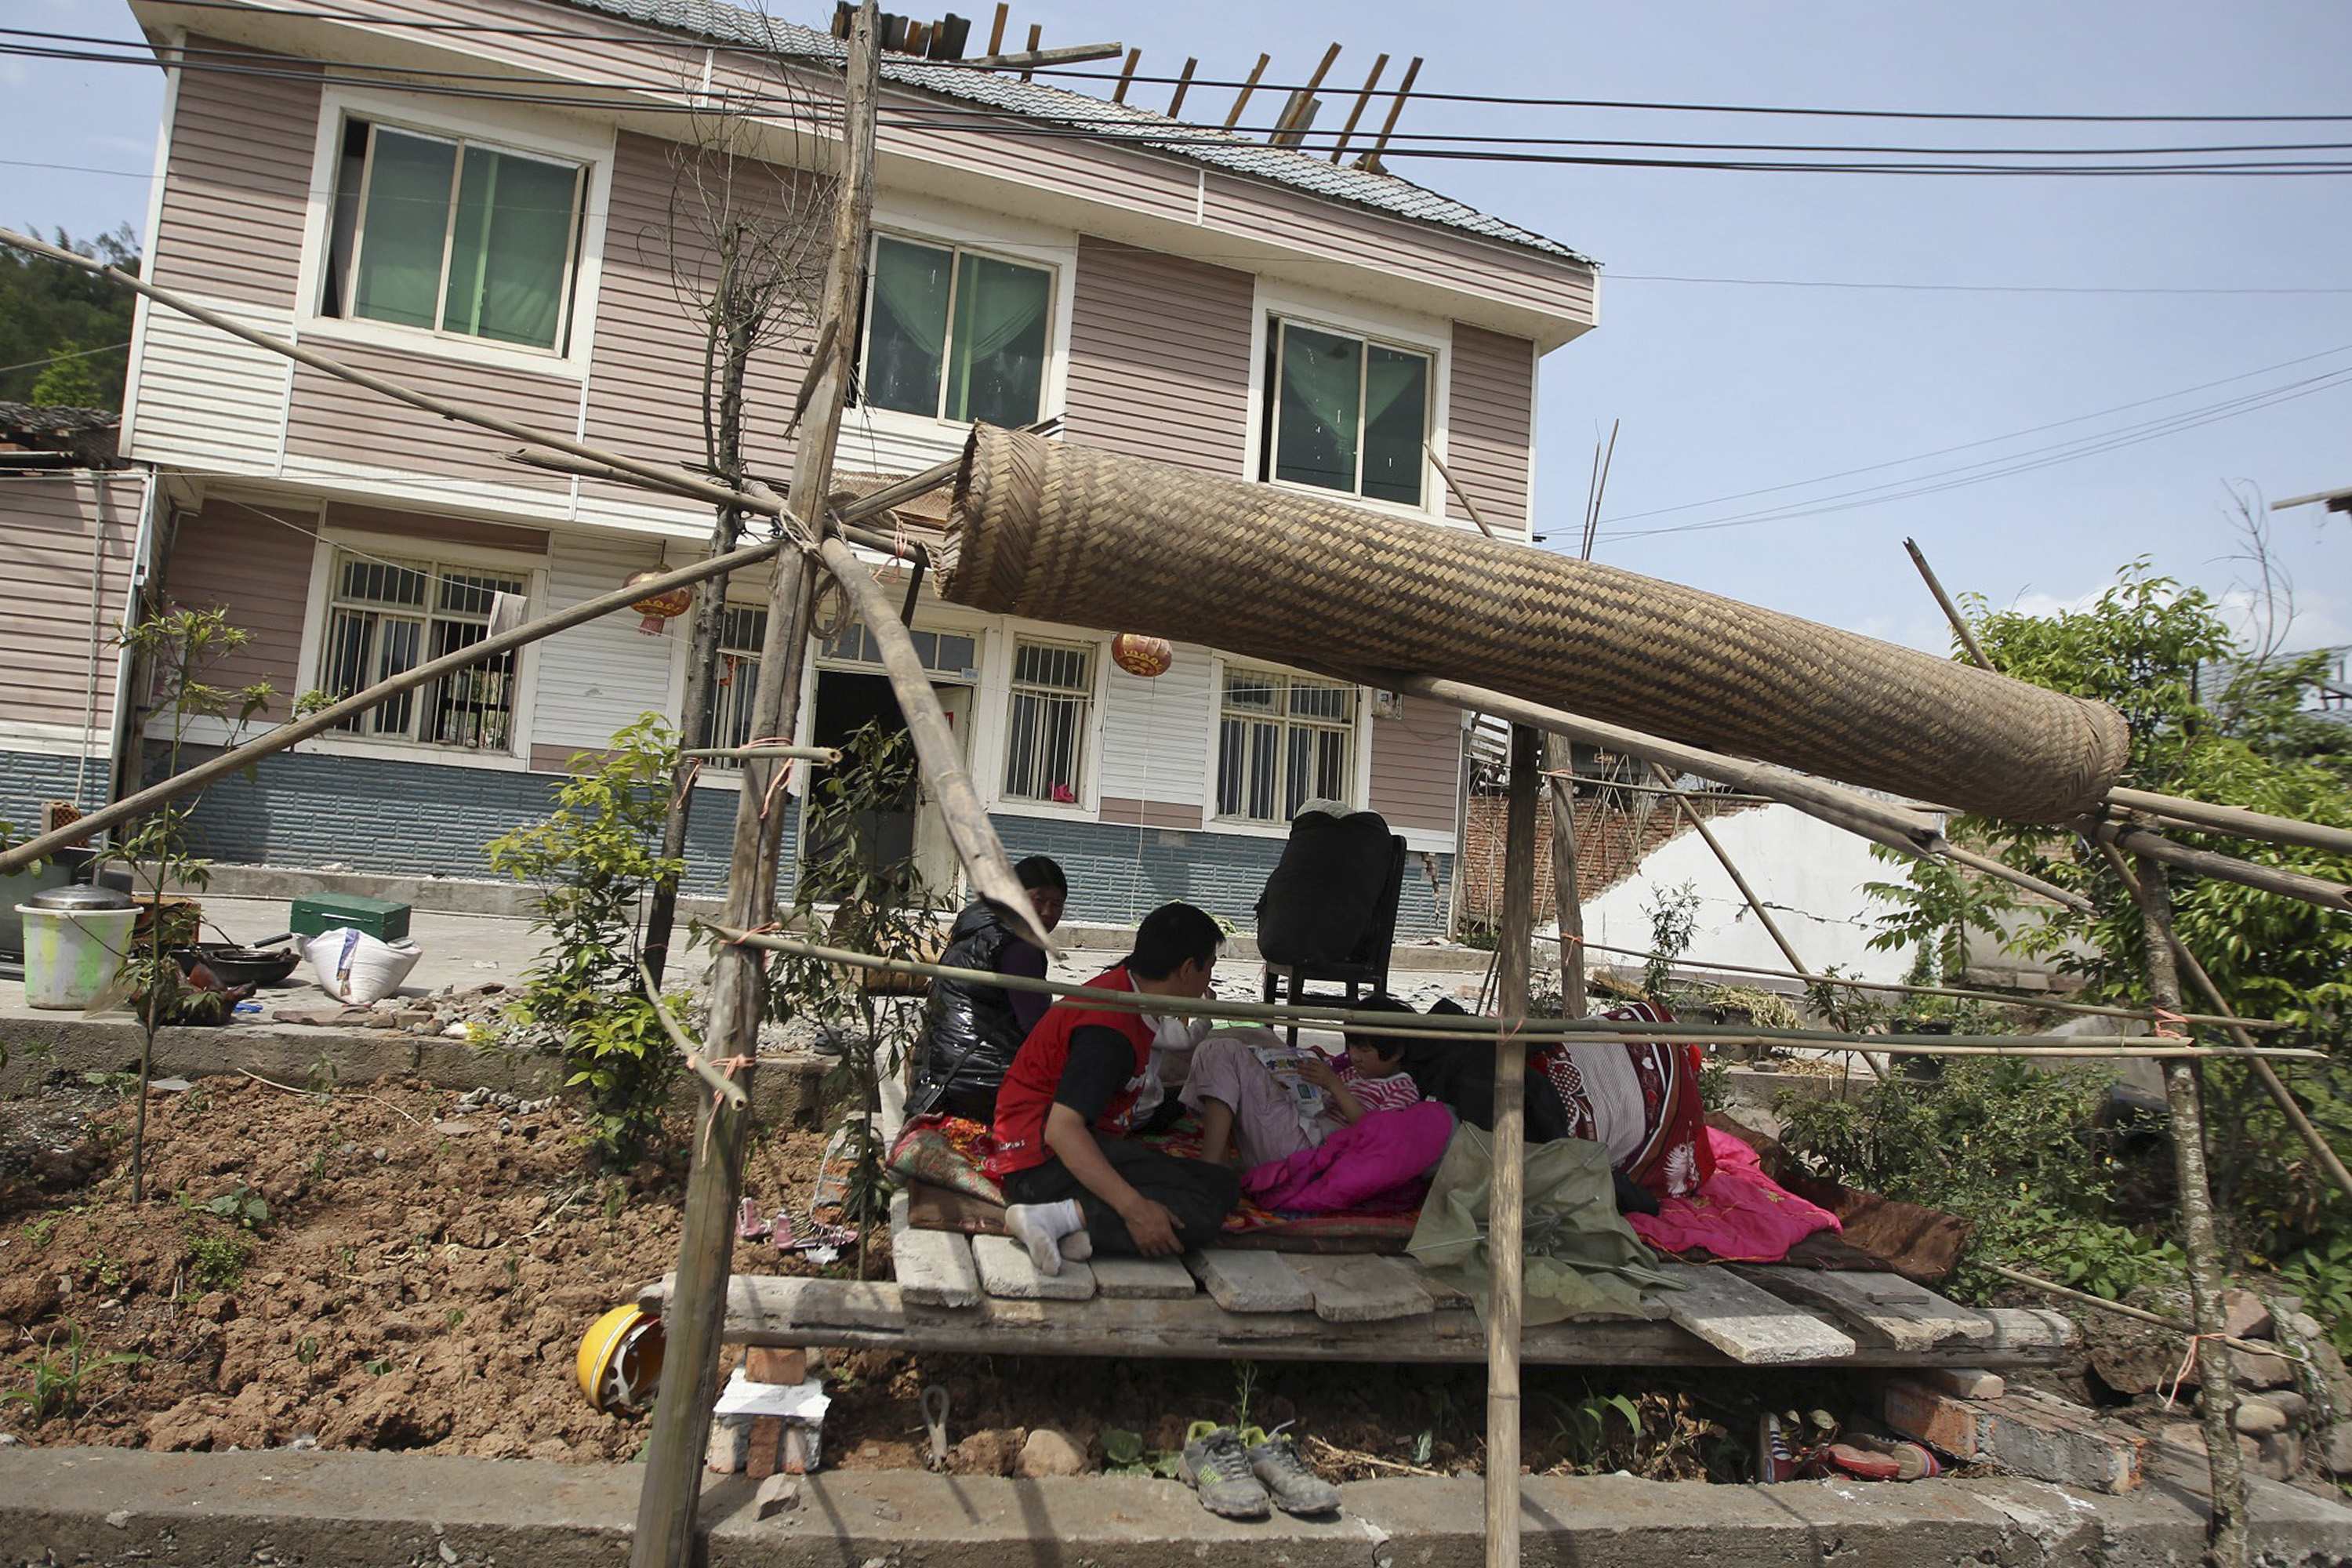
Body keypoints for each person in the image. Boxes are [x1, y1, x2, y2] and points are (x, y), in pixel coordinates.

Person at [989, 902, 1240, 1274]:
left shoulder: (1124, 992)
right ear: (1189, 969)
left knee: (1219, 1184)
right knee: (1198, 1212)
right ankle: (1052, 1216)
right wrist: (1135, 1210)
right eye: (1210, 971)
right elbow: (1062, 1129)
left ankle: (1076, 1230)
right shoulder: (1109, 1032)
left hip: (1071, 1146)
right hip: (1037, 1163)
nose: (1209, 984)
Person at [912, 855, 1067, 1122]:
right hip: (983, 1076)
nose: (1047, 913)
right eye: (1039, 900)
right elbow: (1038, 1027)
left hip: (938, 1065)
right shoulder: (1018, 944)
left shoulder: (977, 923)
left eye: (1056, 905)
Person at [1183, 1020, 1423, 1170]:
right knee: (1219, 1050)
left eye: (1364, 1050)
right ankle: (1218, 1157)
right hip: (1300, 1128)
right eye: (1351, 1048)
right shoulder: (1351, 1074)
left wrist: (1334, 1086)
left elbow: (1378, 1137)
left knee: (1223, 1049)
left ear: (1396, 1053)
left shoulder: (1401, 1089)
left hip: (1309, 1150)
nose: (1354, 1056)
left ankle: (1211, 1165)